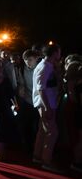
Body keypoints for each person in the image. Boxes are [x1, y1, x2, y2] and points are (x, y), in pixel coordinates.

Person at [32, 44, 62, 172]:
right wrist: (48, 107)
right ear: (55, 53)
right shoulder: (45, 66)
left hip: (46, 103)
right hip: (46, 104)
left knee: (43, 131)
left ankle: (37, 156)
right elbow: (41, 89)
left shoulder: (47, 66)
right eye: (59, 52)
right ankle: (46, 161)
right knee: (52, 132)